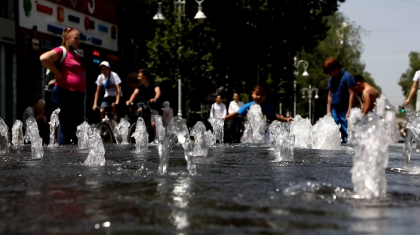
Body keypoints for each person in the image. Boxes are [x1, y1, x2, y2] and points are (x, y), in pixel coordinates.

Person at [40, 27, 85, 145]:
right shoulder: (62, 51)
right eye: (75, 38)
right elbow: (44, 58)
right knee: (65, 123)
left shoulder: (75, 54)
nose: (78, 41)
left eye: (79, 39)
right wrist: (56, 71)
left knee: (77, 125)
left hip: (77, 94)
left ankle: (74, 153)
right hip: (65, 92)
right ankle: (63, 155)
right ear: (67, 38)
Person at [323, 57, 357, 143]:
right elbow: (330, 95)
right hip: (334, 109)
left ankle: (350, 149)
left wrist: (349, 110)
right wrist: (329, 111)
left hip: (345, 109)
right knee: (335, 131)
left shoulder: (347, 77)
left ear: (336, 68)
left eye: (331, 72)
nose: (330, 74)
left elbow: (352, 93)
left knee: (347, 131)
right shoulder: (332, 79)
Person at [223, 85, 293, 123]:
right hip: (251, 134)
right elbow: (236, 113)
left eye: (262, 95)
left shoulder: (268, 107)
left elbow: (275, 116)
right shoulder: (248, 106)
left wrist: (286, 119)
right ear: (252, 94)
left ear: (265, 96)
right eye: (257, 94)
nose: (259, 97)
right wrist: (224, 119)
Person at [125, 68, 161, 139]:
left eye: (139, 76)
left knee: (153, 124)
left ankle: (157, 139)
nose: (138, 78)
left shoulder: (153, 84)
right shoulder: (140, 85)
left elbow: (158, 92)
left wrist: (155, 98)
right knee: (138, 113)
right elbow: (135, 93)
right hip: (145, 106)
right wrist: (130, 100)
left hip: (153, 107)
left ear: (145, 77)